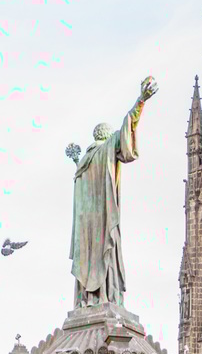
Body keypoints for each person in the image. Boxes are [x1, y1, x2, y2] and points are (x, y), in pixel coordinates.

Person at [65, 76, 157, 306]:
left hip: (86, 228)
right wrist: (141, 101)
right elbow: (127, 126)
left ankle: (87, 297)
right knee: (107, 250)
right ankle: (106, 294)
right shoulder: (106, 150)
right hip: (104, 220)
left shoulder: (84, 163)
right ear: (106, 137)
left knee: (89, 256)